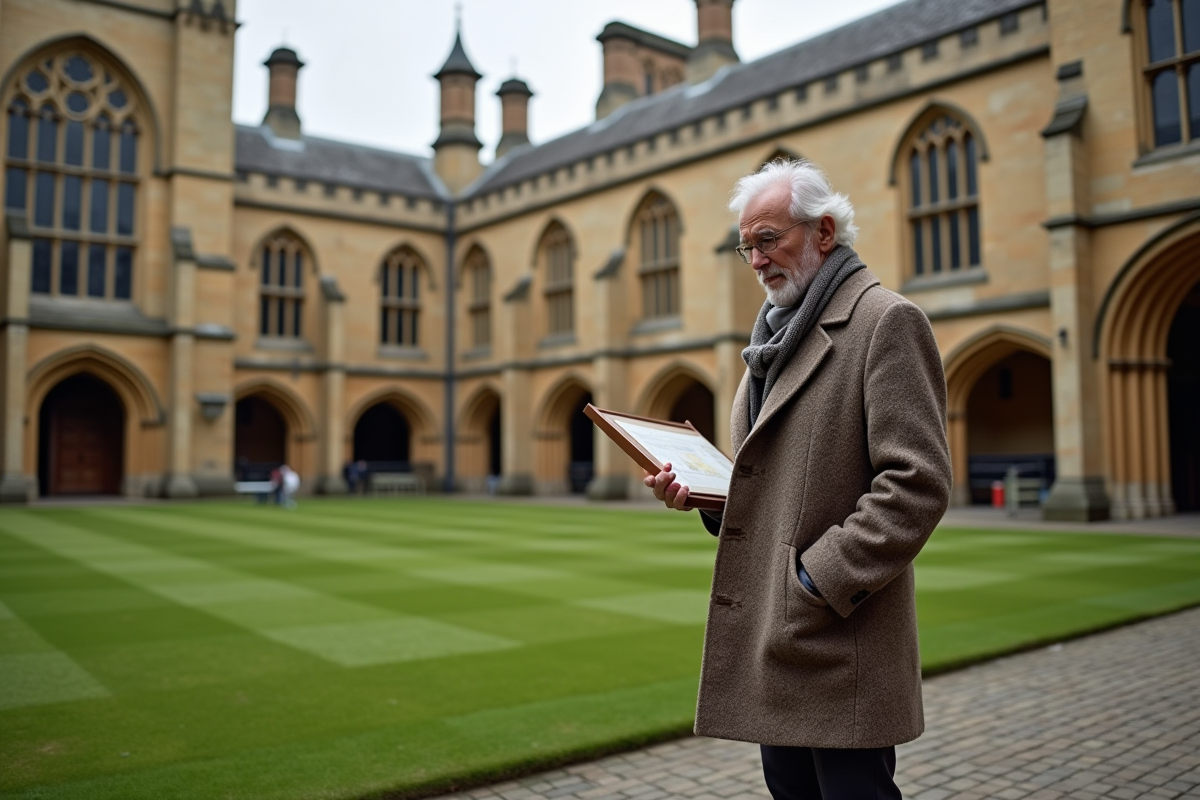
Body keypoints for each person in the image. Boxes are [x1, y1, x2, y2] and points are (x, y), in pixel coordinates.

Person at [645, 159, 951, 800]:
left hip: (839, 636)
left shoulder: (885, 322)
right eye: (746, 247)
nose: (756, 261)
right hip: (775, 638)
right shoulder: (771, 340)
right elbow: (765, 485)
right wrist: (706, 499)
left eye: (768, 239)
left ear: (824, 232)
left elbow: (916, 483)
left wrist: (814, 580)